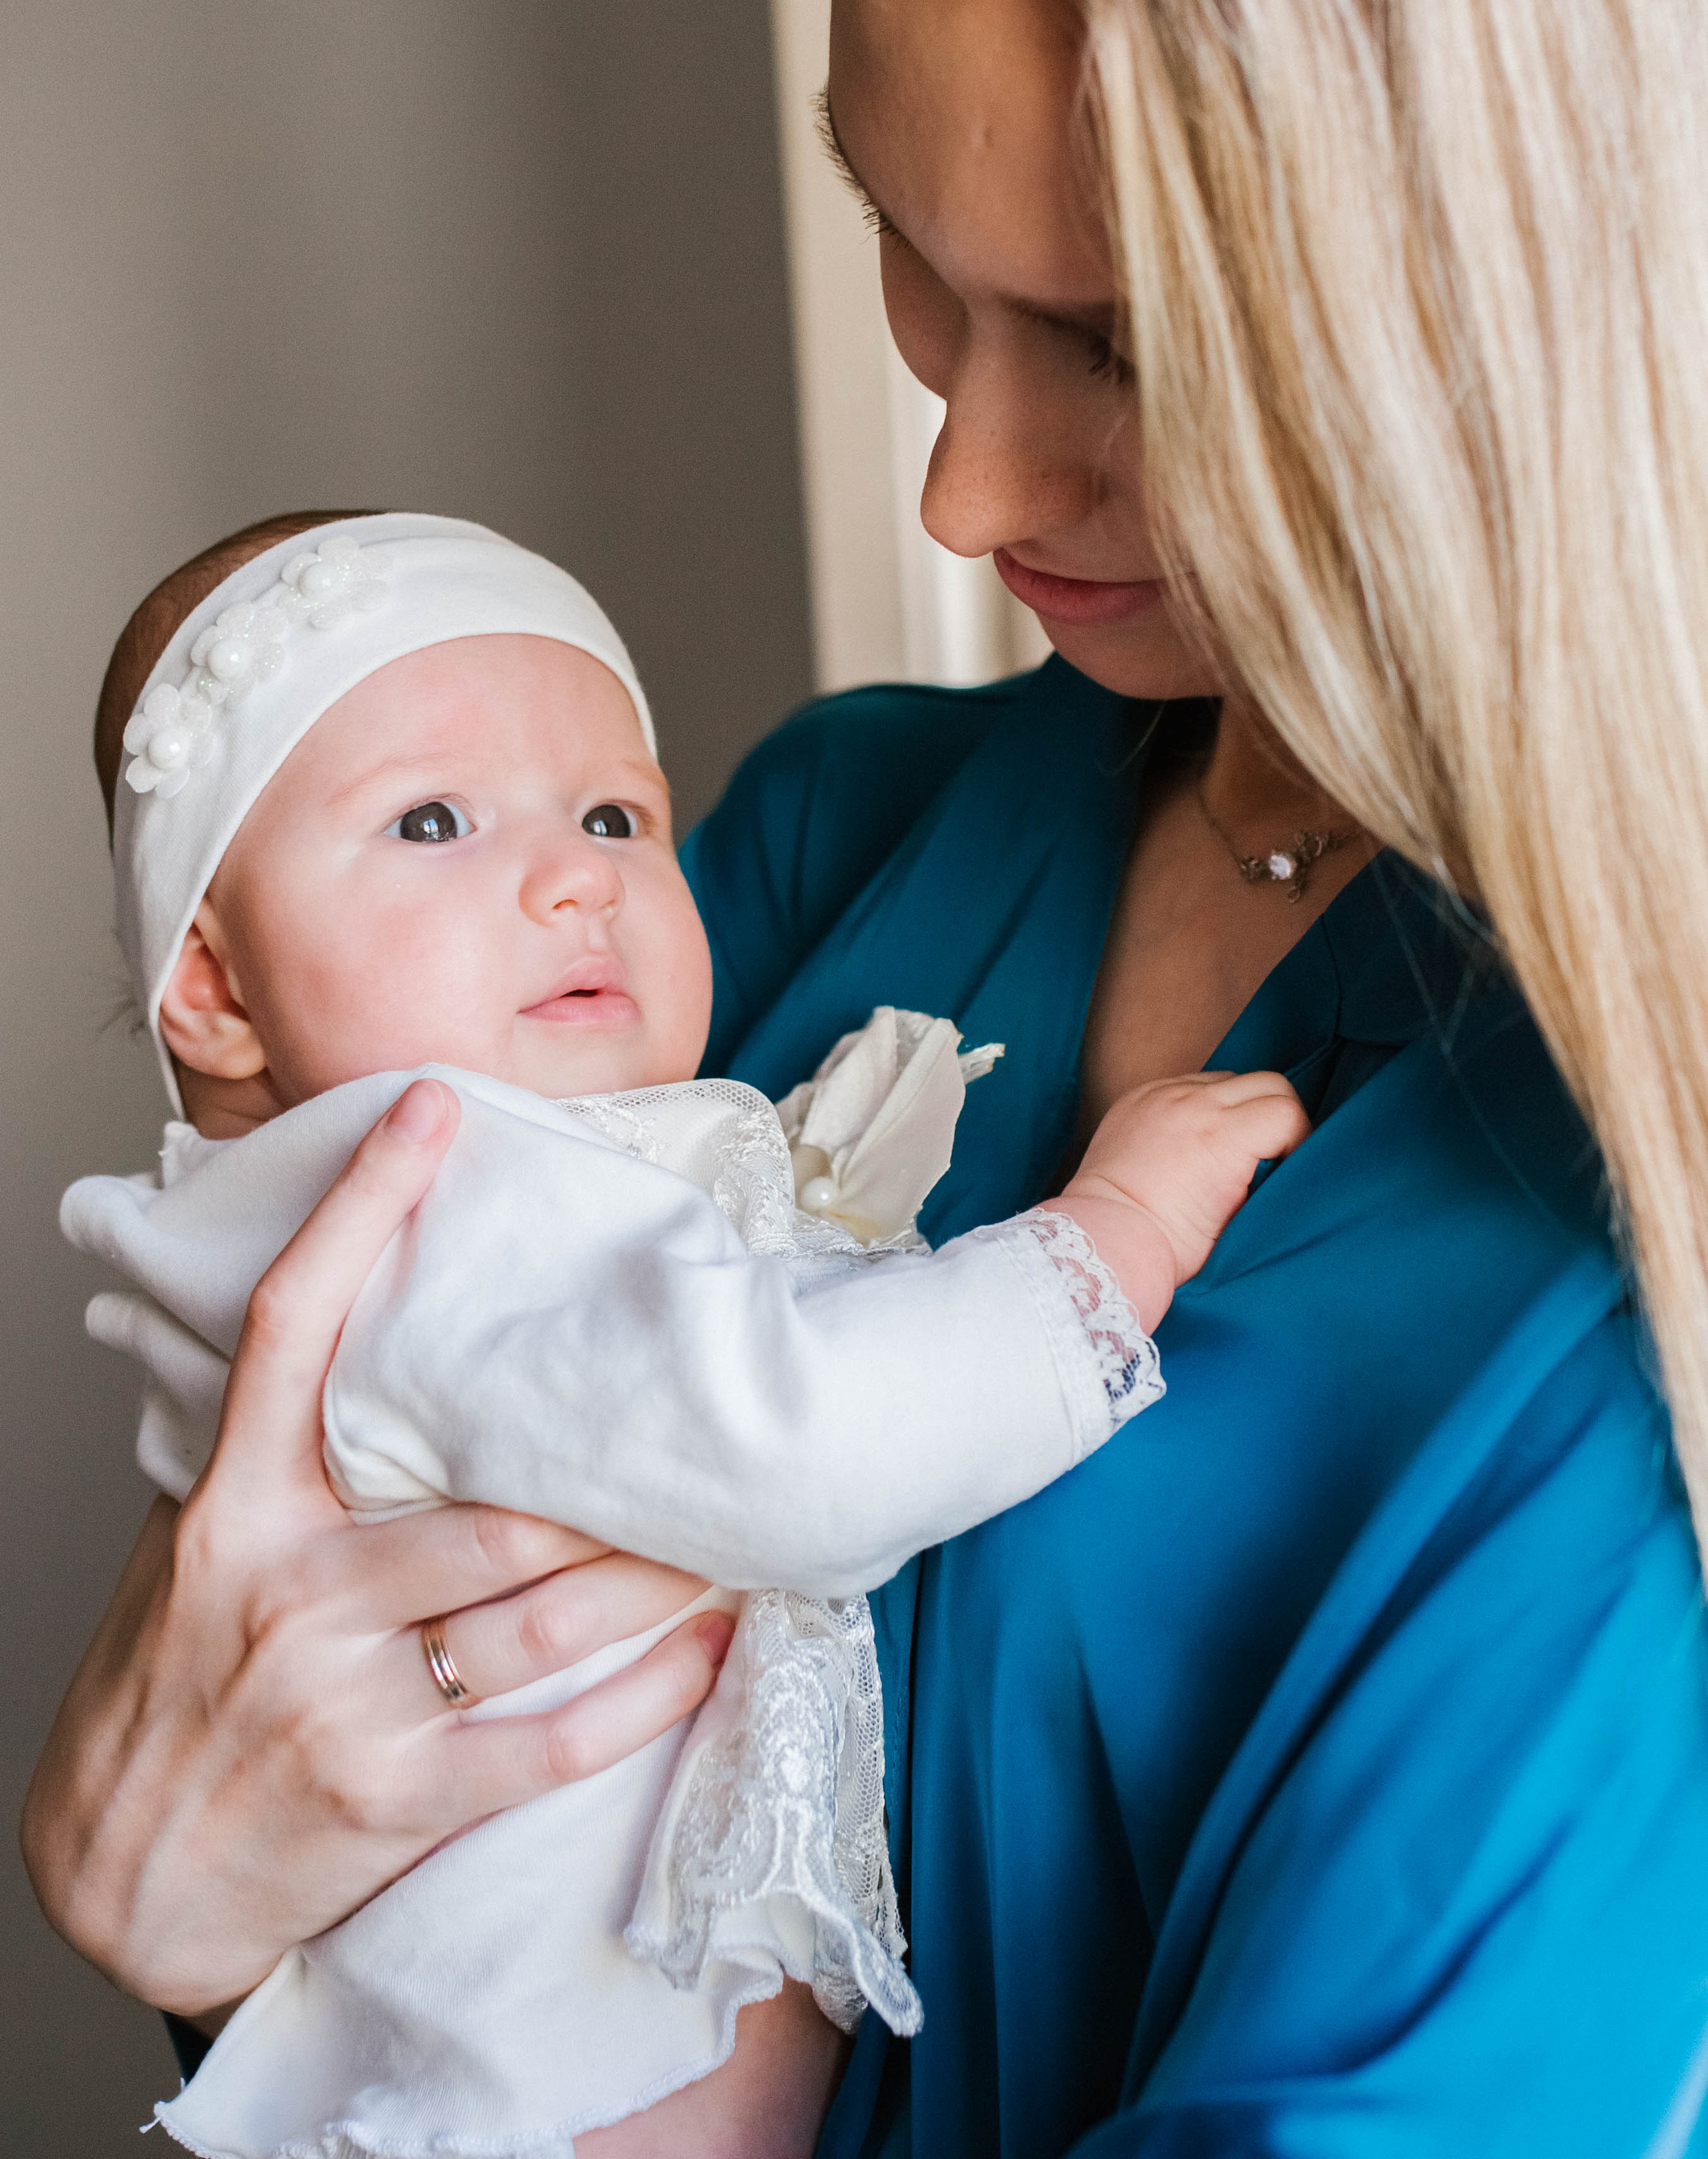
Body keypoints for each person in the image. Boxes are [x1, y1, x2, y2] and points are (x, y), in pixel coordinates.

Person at [25, 0, 1708, 2150]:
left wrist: (188, 1884)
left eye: (1119, 342)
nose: (964, 491)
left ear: (1512, 312)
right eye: (909, 247)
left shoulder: (1610, 1253)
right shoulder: (824, 845)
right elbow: (397, 1673)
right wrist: (196, 1914)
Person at [58, 504, 1300, 2159]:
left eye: (612, 814)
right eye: (431, 819)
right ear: (213, 988)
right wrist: (1111, 1235)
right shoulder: (442, 1201)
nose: (578, 874)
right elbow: (802, 1441)